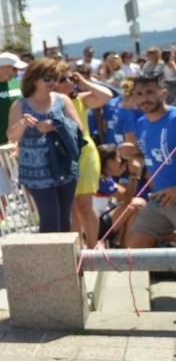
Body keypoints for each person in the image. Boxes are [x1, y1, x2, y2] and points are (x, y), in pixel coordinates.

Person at [7, 58, 84, 233]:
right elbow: (11, 136)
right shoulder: (20, 105)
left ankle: (65, 258)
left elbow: (79, 128)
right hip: (36, 172)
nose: (53, 82)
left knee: (64, 217)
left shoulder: (62, 100)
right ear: (34, 78)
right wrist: (22, 124)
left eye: (55, 78)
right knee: (51, 218)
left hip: (64, 166)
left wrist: (54, 125)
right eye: (48, 78)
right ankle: (49, 259)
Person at [55, 65, 112, 247]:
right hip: (62, 157)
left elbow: (107, 95)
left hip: (85, 154)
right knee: (70, 207)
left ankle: (92, 246)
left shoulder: (80, 99)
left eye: (71, 78)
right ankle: (77, 248)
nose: (69, 82)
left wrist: (84, 81)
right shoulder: (48, 104)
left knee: (85, 204)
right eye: (63, 79)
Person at [122, 74, 176, 248]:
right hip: (159, 201)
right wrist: (131, 153)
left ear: (164, 92)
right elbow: (151, 154)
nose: (145, 98)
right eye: (139, 94)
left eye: (150, 92)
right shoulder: (141, 123)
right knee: (133, 251)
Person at [93, 145, 146, 247]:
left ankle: (121, 245)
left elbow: (126, 195)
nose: (120, 161)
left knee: (132, 209)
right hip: (96, 227)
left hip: (97, 222)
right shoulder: (102, 180)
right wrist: (134, 174)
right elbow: (127, 198)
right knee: (138, 203)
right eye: (117, 158)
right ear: (109, 161)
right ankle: (125, 248)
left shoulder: (102, 177)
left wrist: (132, 174)